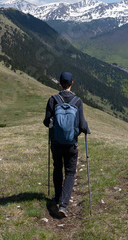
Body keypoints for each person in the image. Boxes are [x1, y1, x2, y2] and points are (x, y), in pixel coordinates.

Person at [43, 71, 90, 218]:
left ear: (59, 83)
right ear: (72, 83)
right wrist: (84, 129)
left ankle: (57, 197)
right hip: (71, 144)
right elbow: (82, 125)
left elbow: (46, 122)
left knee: (57, 167)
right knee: (70, 172)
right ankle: (63, 204)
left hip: (56, 142)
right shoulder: (77, 101)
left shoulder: (53, 100)